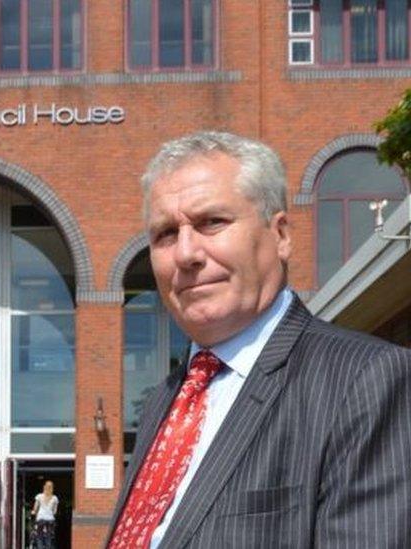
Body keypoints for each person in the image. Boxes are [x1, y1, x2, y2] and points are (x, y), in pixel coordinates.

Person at [106, 131, 411, 548]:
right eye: (165, 234)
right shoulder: (167, 397)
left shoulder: (365, 380)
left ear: (281, 235)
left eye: (211, 222)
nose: (185, 253)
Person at [29, 480, 58, 549]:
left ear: (44, 487)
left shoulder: (39, 496)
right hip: (50, 520)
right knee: (49, 536)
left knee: (39, 536)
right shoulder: (55, 498)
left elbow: (35, 508)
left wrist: (33, 512)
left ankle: (40, 547)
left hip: (41, 519)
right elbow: (54, 511)